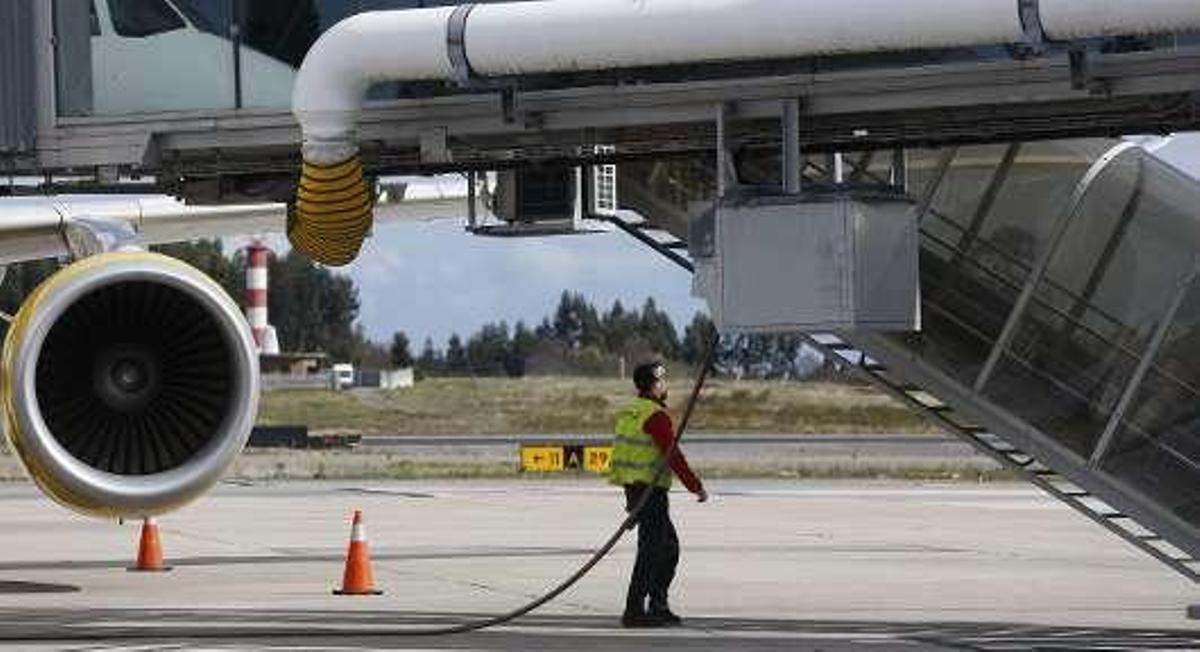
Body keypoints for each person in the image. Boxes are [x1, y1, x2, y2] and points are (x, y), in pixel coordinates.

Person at [609, 360, 708, 628]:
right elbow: (672, 455)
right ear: (654, 385)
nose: (666, 386)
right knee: (654, 551)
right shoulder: (655, 416)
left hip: (635, 489)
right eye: (662, 382)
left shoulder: (630, 411)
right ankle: (635, 610)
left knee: (665, 548)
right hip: (651, 493)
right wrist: (695, 486)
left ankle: (656, 605)